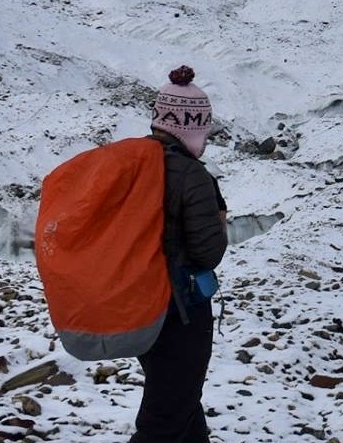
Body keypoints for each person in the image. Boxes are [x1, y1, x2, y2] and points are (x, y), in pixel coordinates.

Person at [134, 66, 228, 443]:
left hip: (134, 301)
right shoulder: (192, 175)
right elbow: (208, 253)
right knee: (165, 415)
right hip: (179, 309)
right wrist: (219, 222)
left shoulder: (131, 162)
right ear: (194, 127)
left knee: (180, 396)